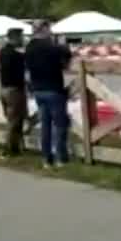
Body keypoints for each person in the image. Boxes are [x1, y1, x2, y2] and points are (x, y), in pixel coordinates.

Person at [25, 21, 74, 168]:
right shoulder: (51, 46)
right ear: (45, 29)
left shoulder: (29, 47)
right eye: (49, 29)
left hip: (38, 90)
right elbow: (66, 56)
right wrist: (64, 44)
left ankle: (47, 159)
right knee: (60, 125)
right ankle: (61, 158)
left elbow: (27, 69)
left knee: (45, 126)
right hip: (53, 89)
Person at [0, 27, 28, 159]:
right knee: (14, 120)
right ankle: (6, 150)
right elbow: (24, 59)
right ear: (14, 38)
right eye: (20, 37)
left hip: (4, 89)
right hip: (14, 90)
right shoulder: (14, 55)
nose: (22, 39)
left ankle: (15, 149)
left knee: (15, 119)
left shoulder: (3, 52)